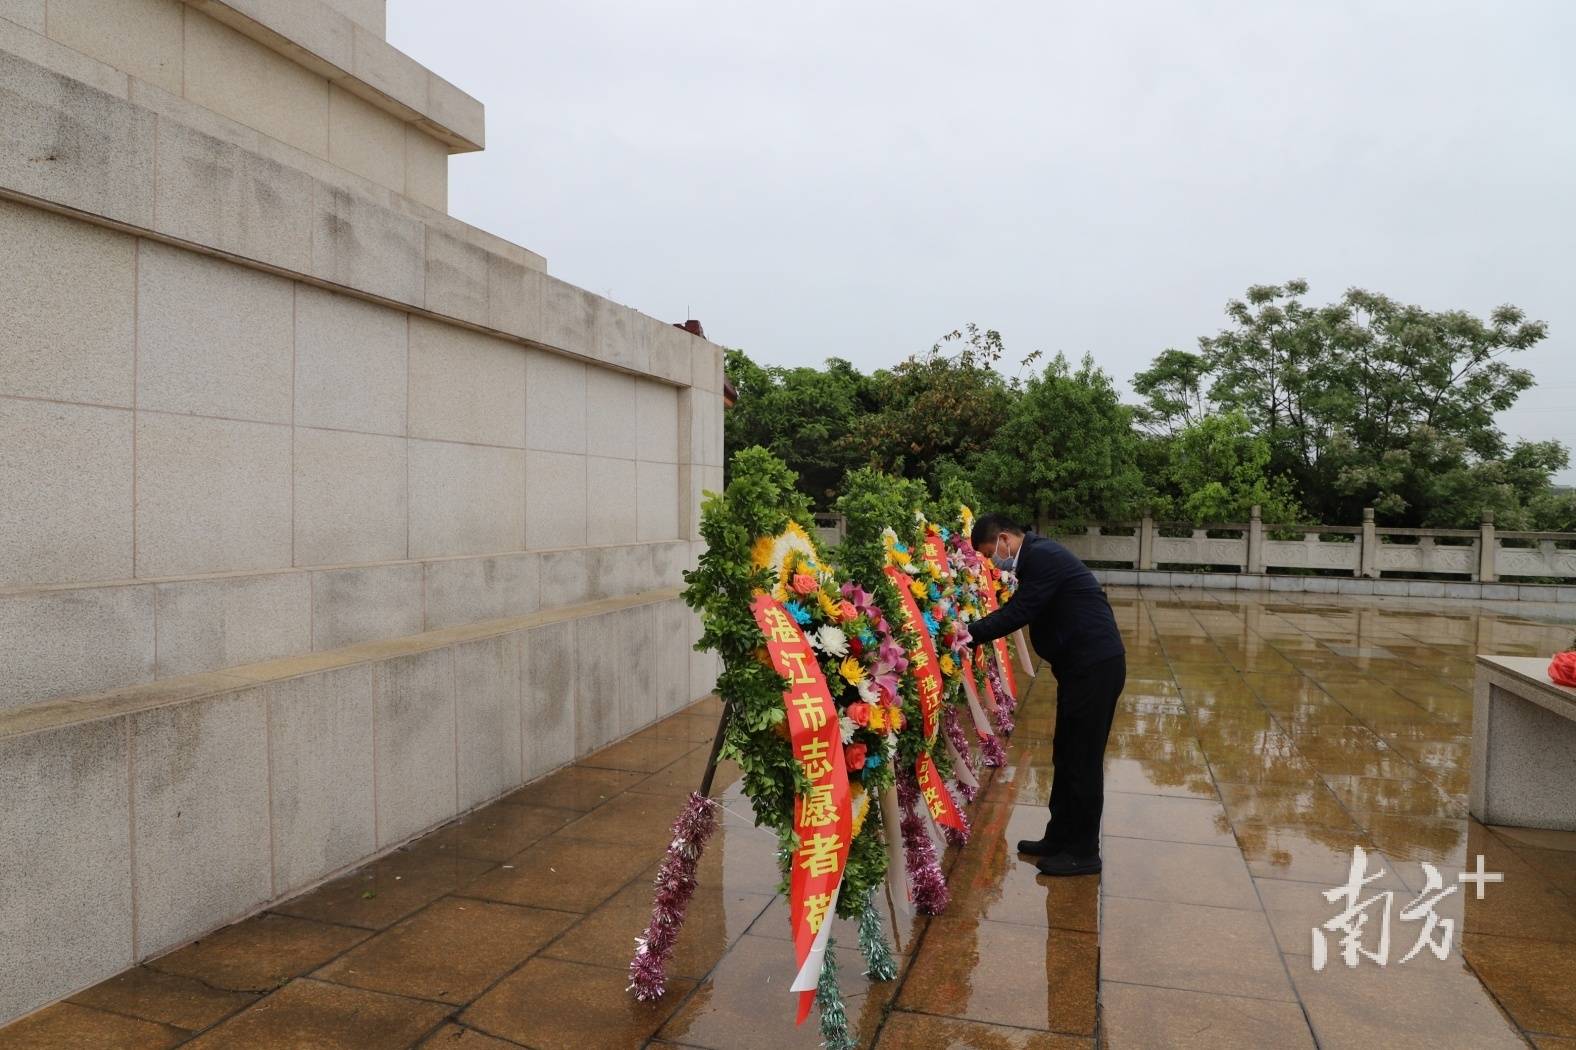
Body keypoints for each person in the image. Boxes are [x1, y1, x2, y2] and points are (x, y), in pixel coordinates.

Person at [964, 513, 1126, 876]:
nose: (994, 562)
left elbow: (1019, 612)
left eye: (992, 553)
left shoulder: (1042, 557)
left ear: (1005, 539)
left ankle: (1084, 851)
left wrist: (965, 633)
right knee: (1065, 754)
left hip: (1095, 668)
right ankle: (1060, 836)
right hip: (1080, 669)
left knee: (1081, 759)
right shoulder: (1036, 556)